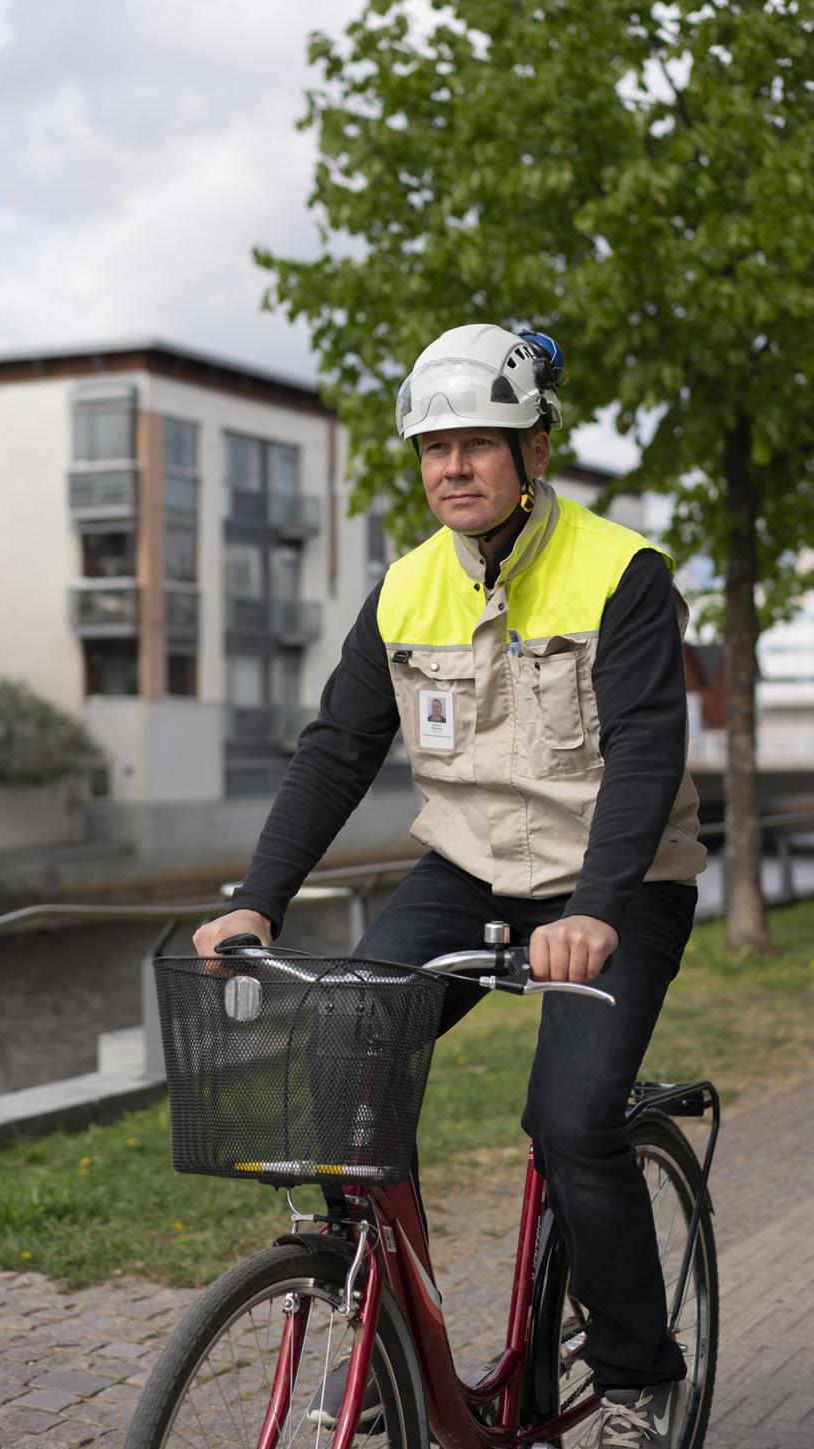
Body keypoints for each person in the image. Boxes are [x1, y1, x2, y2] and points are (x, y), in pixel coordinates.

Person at [194, 323, 706, 1449]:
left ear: (535, 451)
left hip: (613, 886)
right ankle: (388, 1346)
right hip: (469, 871)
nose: (453, 469)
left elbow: (645, 758)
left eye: (480, 444)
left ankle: (635, 1374)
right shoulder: (405, 589)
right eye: (435, 448)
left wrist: (594, 912)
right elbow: (336, 749)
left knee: (569, 1122)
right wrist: (257, 898)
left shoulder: (620, 572)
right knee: (343, 1072)